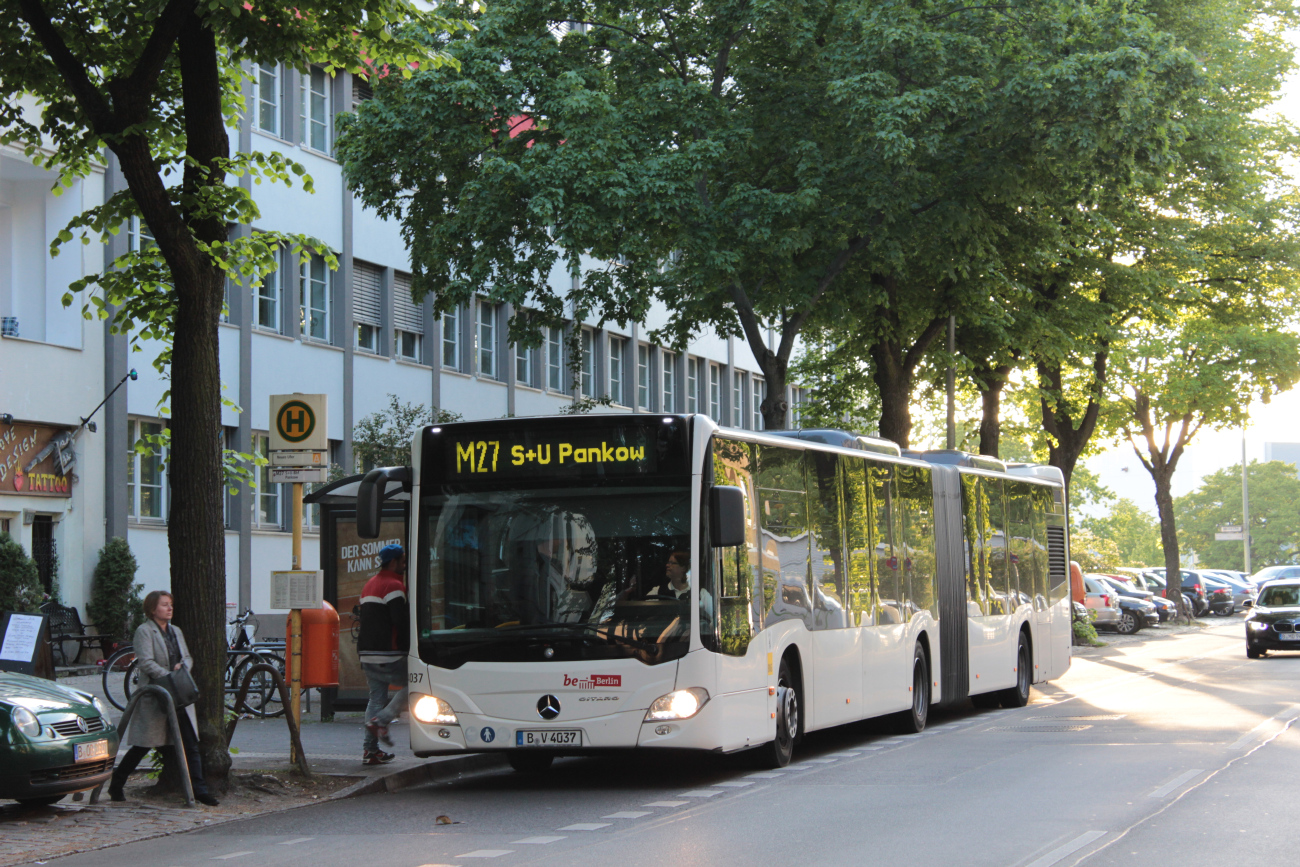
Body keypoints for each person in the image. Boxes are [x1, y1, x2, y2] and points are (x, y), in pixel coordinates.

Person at [107, 591, 219, 806]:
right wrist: (168, 676)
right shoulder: (145, 631)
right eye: (165, 605)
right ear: (152, 609)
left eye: (171, 605)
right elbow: (146, 661)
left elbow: (187, 656)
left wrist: (182, 668)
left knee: (190, 742)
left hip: (180, 693)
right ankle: (117, 782)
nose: (170, 608)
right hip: (157, 694)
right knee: (144, 744)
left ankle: (199, 790)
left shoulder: (176, 630)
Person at [358, 543, 410, 765]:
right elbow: (401, 622)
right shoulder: (394, 586)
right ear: (394, 562)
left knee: (376, 697)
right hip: (388, 654)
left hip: (366, 654)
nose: (405, 565)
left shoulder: (370, 584)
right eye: (403, 561)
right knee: (419, 683)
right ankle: (383, 720)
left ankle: (370, 751)